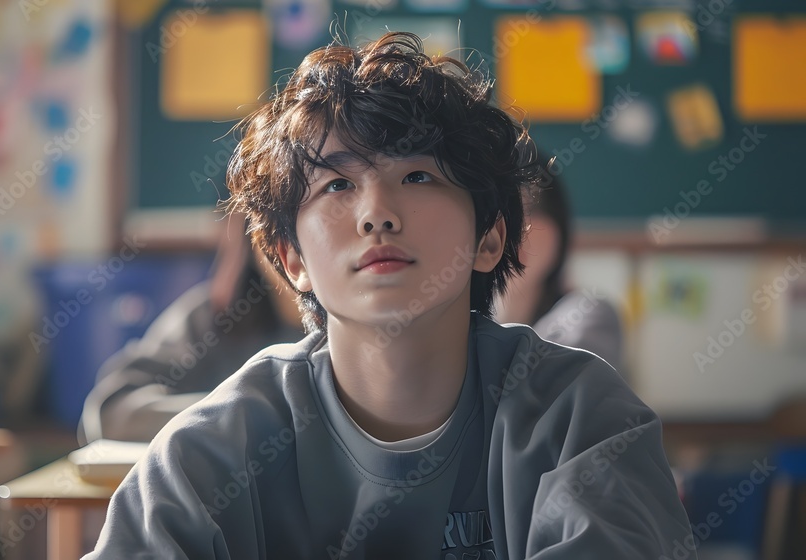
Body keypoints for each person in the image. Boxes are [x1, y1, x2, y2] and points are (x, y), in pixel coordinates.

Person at [85, 32, 693, 559]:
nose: (377, 213)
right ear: (292, 259)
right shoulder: (213, 449)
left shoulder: (582, 421)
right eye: (337, 184)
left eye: (418, 175)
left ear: (490, 238)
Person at [79, 213, 305, 443]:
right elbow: (111, 413)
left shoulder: (336, 334)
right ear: (252, 240)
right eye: (279, 226)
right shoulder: (214, 318)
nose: (293, 248)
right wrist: (237, 416)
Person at [495, 164, 624, 372]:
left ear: (560, 229)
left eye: (532, 209)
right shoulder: (458, 323)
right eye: (500, 210)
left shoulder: (588, 315)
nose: (518, 226)